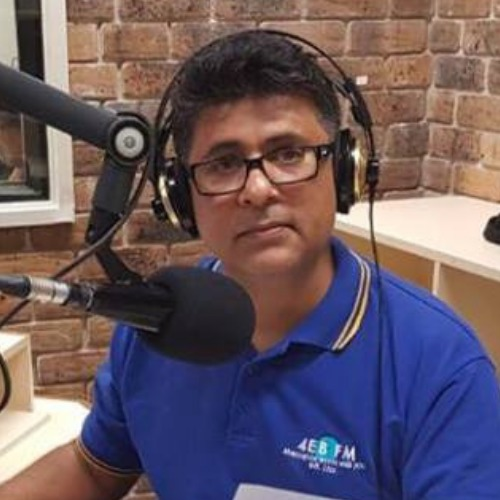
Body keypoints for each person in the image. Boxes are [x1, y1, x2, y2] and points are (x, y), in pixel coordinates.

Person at [1, 29, 500, 500]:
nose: (258, 190)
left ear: (342, 170)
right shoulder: (159, 325)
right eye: (223, 164)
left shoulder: (440, 367)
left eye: (289, 154)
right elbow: (93, 468)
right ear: (180, 196)